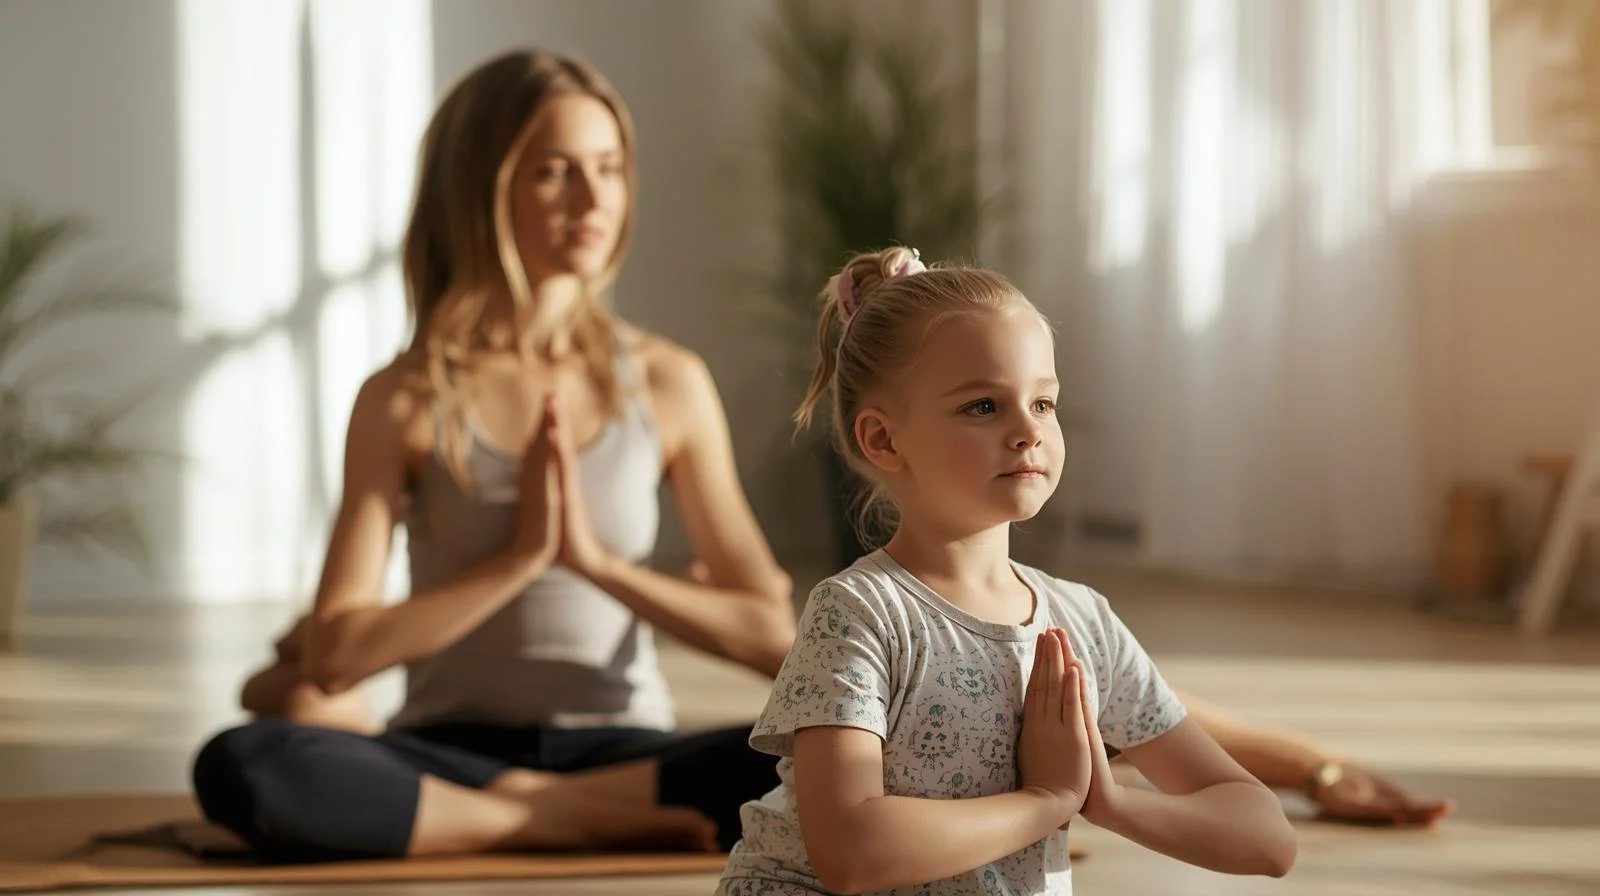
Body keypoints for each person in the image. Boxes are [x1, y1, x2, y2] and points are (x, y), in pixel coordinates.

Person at [189, 48, 797, 861]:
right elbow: (335, 654)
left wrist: (593, 563)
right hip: (451, 751)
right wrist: (518, 560)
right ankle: (552, 821)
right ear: (481, 188)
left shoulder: (667, 381)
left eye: (609, 169)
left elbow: (771, 636)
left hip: (624, 750)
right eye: (553, 172)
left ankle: (535, 810)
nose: (592, 200)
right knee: (245, 763)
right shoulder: (404, 397)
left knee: (841, 757)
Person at [716, 248, 1298, 895]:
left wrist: (1108, 802)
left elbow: (1268, 840)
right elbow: (852, 854)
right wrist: (1048, 799)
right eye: (983, 407)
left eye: (1043, 403)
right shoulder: (860, 612)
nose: (1028, 431)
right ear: (883, 440)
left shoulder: (1083, 621)